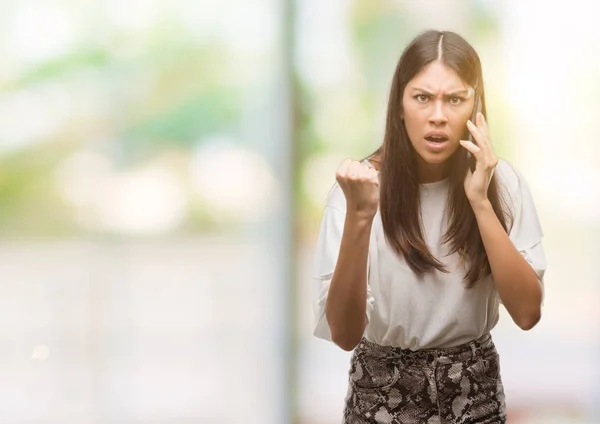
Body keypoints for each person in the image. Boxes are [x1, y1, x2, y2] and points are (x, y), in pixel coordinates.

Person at [311, 30, 546, 423]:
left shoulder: (502, 182)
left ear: (476, 106)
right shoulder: (356, 191)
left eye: (455, 99)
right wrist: (360, 217)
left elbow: (527, 313)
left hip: (475, 398)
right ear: (400, 105)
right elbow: (344, 334)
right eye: (422, 97)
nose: (438, 115)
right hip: (379, 400)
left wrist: (480, 201)